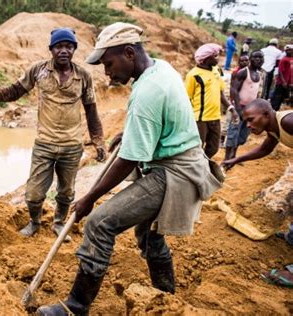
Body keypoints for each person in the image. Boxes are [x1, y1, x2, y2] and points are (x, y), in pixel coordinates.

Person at [36, 22, 223, 315]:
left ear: (128, 53)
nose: (107, 72)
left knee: (100, 223)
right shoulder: (160, 69)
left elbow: (129, 160)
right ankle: (165, 296)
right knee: (148, 232)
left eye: (109, 64)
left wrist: (89, 198)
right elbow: (158, 121)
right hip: (181, 163)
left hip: (174, 172)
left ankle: (75, 306)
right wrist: (131, 131)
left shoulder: (147, 90)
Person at [0, 28, 106, 240]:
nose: (64, 51)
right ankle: (34, 222)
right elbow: (14, 91)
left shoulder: (83, 76)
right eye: (59, 46)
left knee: (66, 192)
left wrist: (98, 141)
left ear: (74, 49)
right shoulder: (38, 70)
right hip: (45, 144)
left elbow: (91, 110)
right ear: (51, 49)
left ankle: (59, 223)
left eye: (68, 46)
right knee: (34, 194)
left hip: (72, 145)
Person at [222, 99, 292, 287]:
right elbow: (265, 149)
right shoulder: (274, 128)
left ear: (266, 115)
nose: (249, 125)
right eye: (246, 121)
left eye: (251, 120)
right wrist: (236, 159)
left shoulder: (288, 122)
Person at [185, 43, 231, 158]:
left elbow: (220, 92)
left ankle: (203, 164)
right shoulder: (193, 75)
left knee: (213, 148)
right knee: (197, 148)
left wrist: (230, 107)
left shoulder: (217, 70)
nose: (218, 58)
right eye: (215, 56)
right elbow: (187, 99)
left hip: (215, 117)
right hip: (200, 119)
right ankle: (196, 169)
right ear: (206, 59)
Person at [225, 50, 264, 160]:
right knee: (233, 133)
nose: (258, 60)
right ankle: (227, 158)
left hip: (250, 110)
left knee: (243, 135)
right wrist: (238, 109)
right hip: (239, 108)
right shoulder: (243, 72)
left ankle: (234, 155)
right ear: (251, 59)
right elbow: (234, 90)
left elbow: (258, 92)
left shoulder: (260, 74)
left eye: (261, 58)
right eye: (256, 57)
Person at [271, 44, 293, 111]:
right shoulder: (283, 60)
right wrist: (283, 82)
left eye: (290, 50)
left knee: (285, 97)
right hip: (282, 83)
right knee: (277, 97)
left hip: (289, 82)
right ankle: (274, 109)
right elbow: (280, 71)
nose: (288, 51)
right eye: (287, 50)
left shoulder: (291, 59)